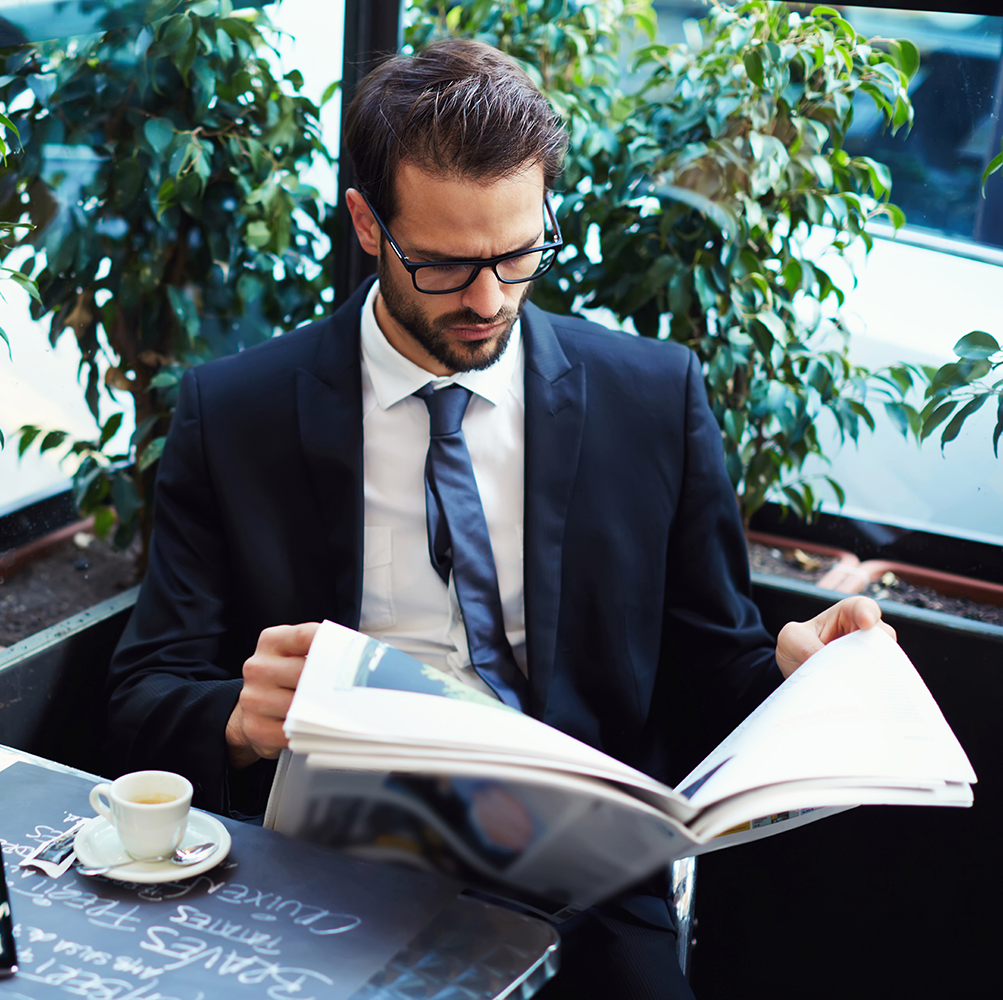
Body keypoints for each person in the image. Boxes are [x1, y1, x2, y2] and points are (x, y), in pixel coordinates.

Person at [103, 38, 891, 998]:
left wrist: (788, 668)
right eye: (441, 264)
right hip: (324, 869)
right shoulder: (236, 413)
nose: (487, 300)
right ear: (366, 223)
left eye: (518, 255)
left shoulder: (651, 399)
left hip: (584, 873)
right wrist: (238, 717)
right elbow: (143, 695)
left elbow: (706, 665)